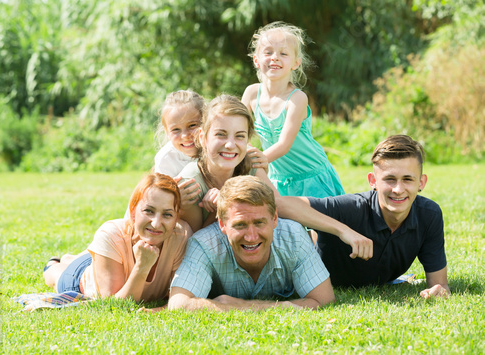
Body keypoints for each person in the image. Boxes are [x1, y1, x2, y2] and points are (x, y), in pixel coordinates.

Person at [276, 135, 450, 299]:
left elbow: (440, 285)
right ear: (373, 181)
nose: (398, 189)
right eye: (390, 179)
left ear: (421, 182)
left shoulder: (429, 215)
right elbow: (279, 205)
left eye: (407, 179)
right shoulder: (351, 208)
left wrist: (438, 291)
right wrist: (343, 230)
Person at [165, 175, 335, 311]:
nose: (251, 237)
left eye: (259, 222)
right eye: (240, 225)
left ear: (274, 218)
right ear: (222, 224)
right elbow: (179, 304)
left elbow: (324, 300)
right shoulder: (204, 245)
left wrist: (239, 306)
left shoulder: (294, 237)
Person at [43, 173, 192, 305]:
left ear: (176, 218)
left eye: (167, 214)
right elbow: (114, 305)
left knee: (100, 255)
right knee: (57, 276)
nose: (156, 223)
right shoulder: (110, 234)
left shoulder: (181, 236)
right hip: (80, 282)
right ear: (133, 212)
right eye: (149, 211)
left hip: (110, 259)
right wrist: (142, 266)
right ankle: (55, 265)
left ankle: (76, 258)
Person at [242, 21, 344, 198]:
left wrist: (254, 160)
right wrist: (242, 150)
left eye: (283, 53)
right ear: (256, 60)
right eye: (268, 52)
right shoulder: (251, 93)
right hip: (278, 179)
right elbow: (239, 129)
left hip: (310, 176)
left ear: (295, 63)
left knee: (319, 224)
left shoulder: (297, 98)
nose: (274, 57)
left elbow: (284, 144)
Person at [177, 94, 273, 232]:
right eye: (220, 134)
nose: (230, 145)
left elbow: (278, 206)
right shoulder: (190, 182)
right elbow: (196, 242)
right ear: (203, 138)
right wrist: (218, 210)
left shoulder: (250, 164)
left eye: (239, 136)